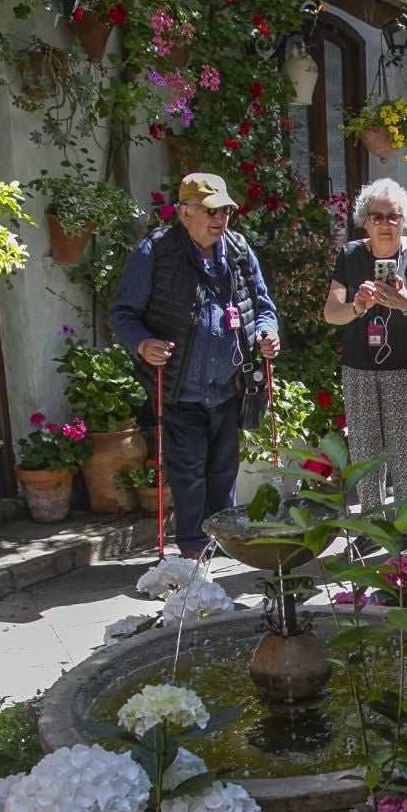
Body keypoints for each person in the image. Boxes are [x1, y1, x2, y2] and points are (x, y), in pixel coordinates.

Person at [111, 172, 281, 559]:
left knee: (223, 473)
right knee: (187, 475)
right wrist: (142, 342)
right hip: (180, 389)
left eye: (225, 211)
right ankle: (192, 550)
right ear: (185, 213)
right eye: (211, 211)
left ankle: (223, 545)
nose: (220, 219)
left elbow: (264, 306)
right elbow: (123, 313)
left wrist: (268, 332)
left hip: (229, 387)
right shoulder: (156, 251)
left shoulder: (237, 250)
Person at [322, 178, 407, 533]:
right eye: (376, 217)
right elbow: (331, 312)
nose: (385, 224)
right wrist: (358, 307)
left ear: (404, 219)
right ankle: (371, 531)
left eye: (392, 217)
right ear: (364, 220)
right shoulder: (351, 255)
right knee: (365, 452)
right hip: (359, 369)